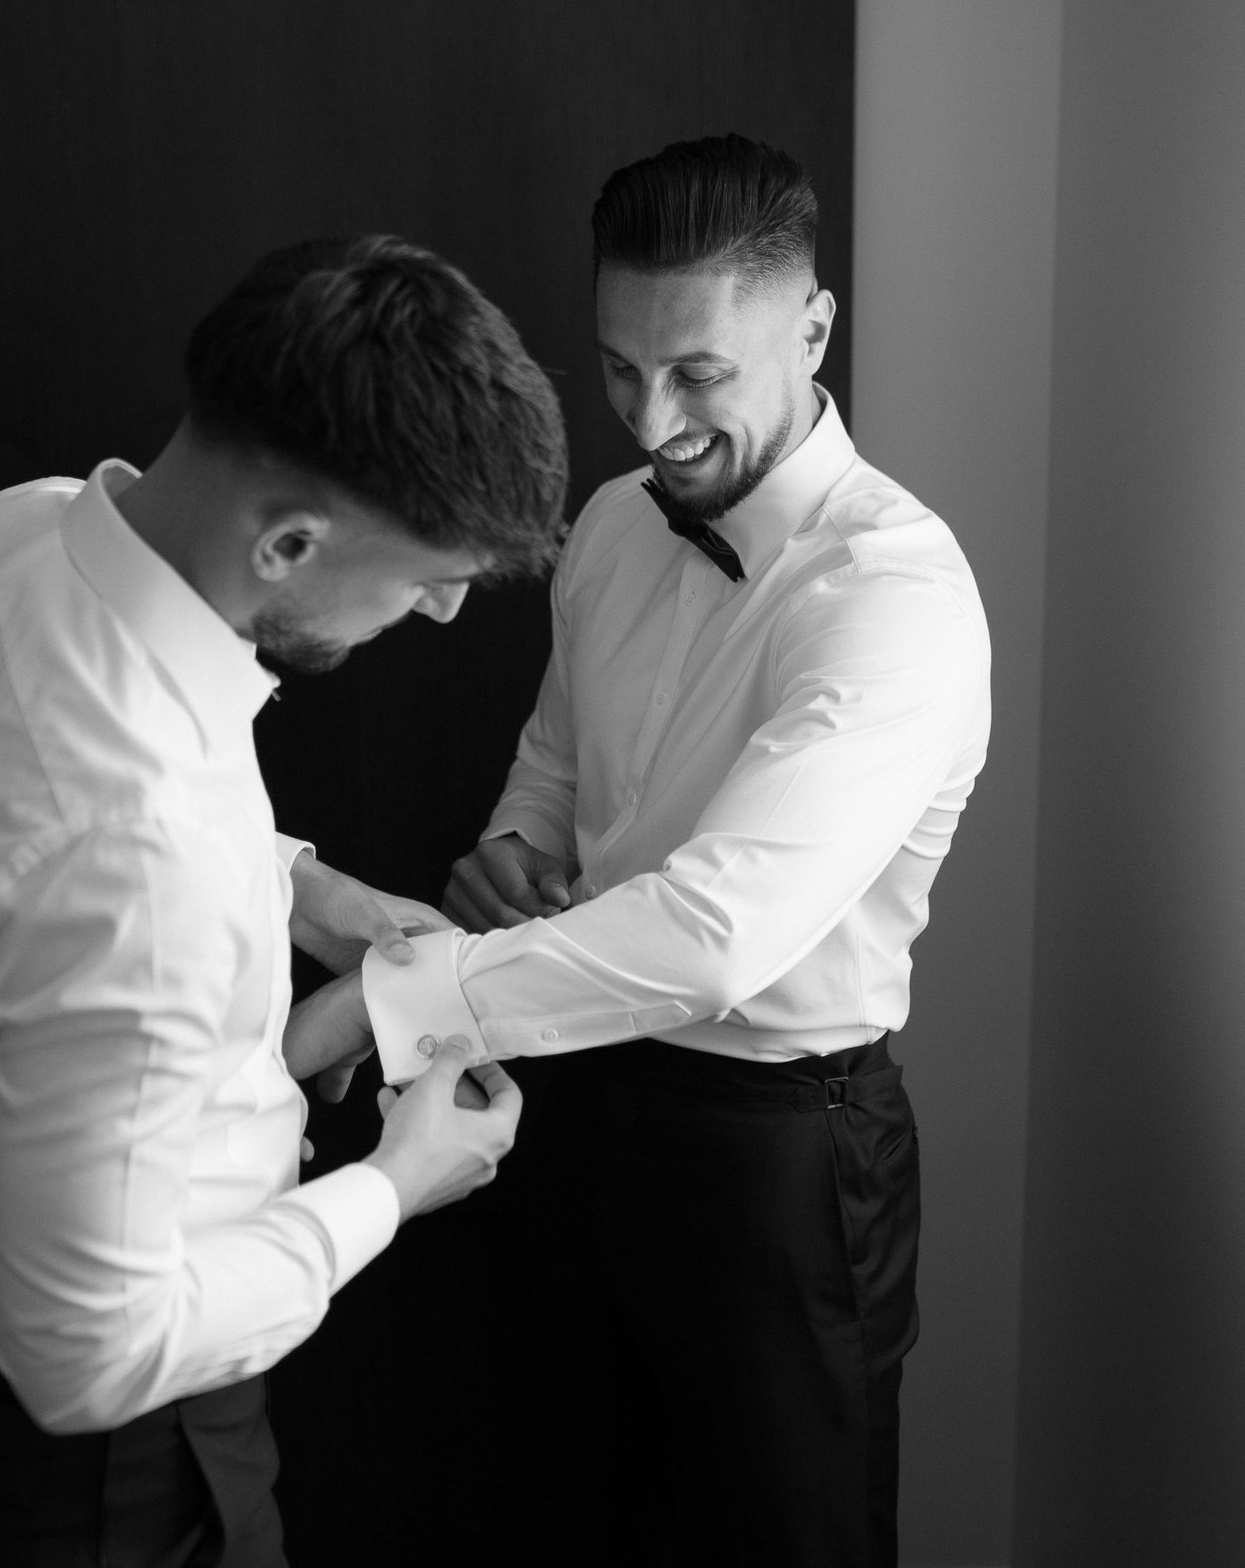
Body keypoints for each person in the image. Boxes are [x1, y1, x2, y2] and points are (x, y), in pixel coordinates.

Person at [287, 136, 993, 1566]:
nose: (648, 420)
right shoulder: (612, 523)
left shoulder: (893, 595)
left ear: (812, 328)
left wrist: (398, 999)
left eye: (697, 374)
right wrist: (509, 849)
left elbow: (719, 935)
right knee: (569, 1519)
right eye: (618, 369)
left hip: (777, 1162)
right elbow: (556, 763)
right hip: (566, 1098)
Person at [0, 233, 565, 1568]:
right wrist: (396, 1188)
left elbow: (40, 840)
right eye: (426, 575)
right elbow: (88, 1361)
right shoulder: (132, 861)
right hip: (103, 1475)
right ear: (289, 544)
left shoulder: (14, 538)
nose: (449, 612)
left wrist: (311, 891)